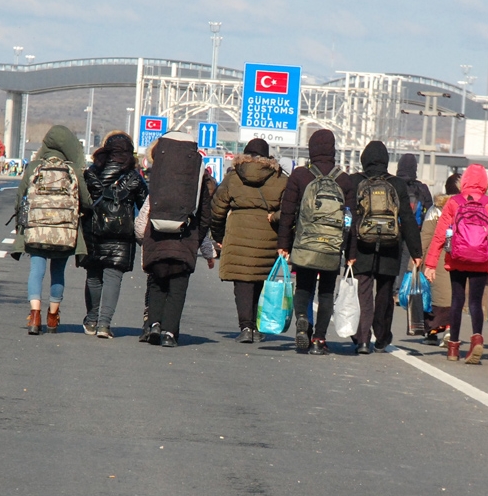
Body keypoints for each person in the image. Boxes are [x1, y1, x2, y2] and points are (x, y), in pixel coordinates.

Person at [277, 129, 357, 355]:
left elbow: (287, 213)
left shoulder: (300, 175)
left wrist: (283, 243)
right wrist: (350, 251)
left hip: (304, 243)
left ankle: (302, 317)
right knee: (326, 292)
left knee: (303, 286)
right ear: (333, 150)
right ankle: (319, 340)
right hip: (332, 246)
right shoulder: (344, 179)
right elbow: (350, 220)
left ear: (311, 149)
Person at [11, 125, 92, 335]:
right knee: (58, 272)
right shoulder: (72, 169)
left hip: (37, 231)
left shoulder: (34, 167)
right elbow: (86, 202)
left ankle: (35, 316)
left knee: (36, 271)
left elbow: (20, 199)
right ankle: (53, 317)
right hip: (64, 233)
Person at [424, 163, 488, 363]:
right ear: (485, 182)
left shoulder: (454, 202)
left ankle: (453, 348)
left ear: (465, 181)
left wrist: (431, 264)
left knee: (457, 301)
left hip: (457, 258)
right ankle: (477, 338)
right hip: (482, 259)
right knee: (475, 302)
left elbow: (439, 236)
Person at [136, 132, 212, 348]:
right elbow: (205, 212)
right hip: (185, 237)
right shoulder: (199, 174)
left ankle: (154, 325)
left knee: (158, 283)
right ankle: (169, 333)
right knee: (178, 288)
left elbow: (148, 206)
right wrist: (197, 238)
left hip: (156, 237)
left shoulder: (158, 170)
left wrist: (143, 236)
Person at [210, 138, 288, 343]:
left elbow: (217, 210)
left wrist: (219, 237)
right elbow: (289, 210)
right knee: (260, 279)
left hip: (238, 234)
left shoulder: (233, 177)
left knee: (242, 281)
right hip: (267, 236)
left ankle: (246, 327)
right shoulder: (280, 179)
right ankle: (257, 326)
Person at [349, 140, 423, 354]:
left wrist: (348, 247)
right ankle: (381, 337)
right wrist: (416, 252)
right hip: (391, 246)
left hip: (362, 245)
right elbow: (407, 219)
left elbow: (349, 216)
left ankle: (362, 339)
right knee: (384, 292)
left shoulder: (354, 181)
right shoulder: (397, 184)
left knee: (363, 290)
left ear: (364, 159)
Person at [80, 131, 148, 339]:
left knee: (93, 275)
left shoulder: (91, 172)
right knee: (112, 277)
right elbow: (145, 206)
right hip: (120, 234)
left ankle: (91, 320)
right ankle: (104, 325)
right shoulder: (134, 177)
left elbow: (82, 201)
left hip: (93, 230)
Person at [417, 173, 461, 345]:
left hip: (438, 259)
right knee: (454, 298)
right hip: (462, 258)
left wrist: (415, 259)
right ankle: (451, 330)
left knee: (435, 299)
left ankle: (433, 332)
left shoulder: (437, 209)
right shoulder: (468, 207)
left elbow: (426, 236)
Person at [395, 153, 433, 292]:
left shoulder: (393, 183)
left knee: (394, 257)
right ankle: (403, 289)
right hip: (414, 229)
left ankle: (393, 288)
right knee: (408, 258)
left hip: (394, 228)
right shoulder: (421, 188)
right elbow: (429, 211)